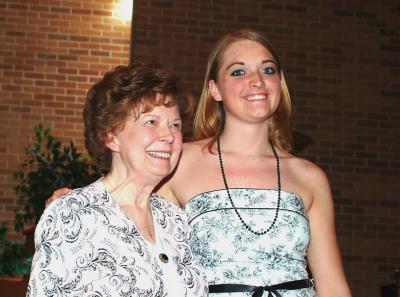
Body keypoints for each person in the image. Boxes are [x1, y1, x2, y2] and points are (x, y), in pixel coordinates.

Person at [47, 29, 352, 297]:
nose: (257, 81)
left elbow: (334, 287)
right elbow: (129, 205)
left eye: (268, 70)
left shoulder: (310, 177)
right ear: (214, 89)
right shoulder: (179, 160)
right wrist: (73, 204)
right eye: (238, 72)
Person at [26, 63, 208, 297]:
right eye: (151, 122)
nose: (169, 136)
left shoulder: (175, 221)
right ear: (111, 136)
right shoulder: (73, 215)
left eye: (175, 125)